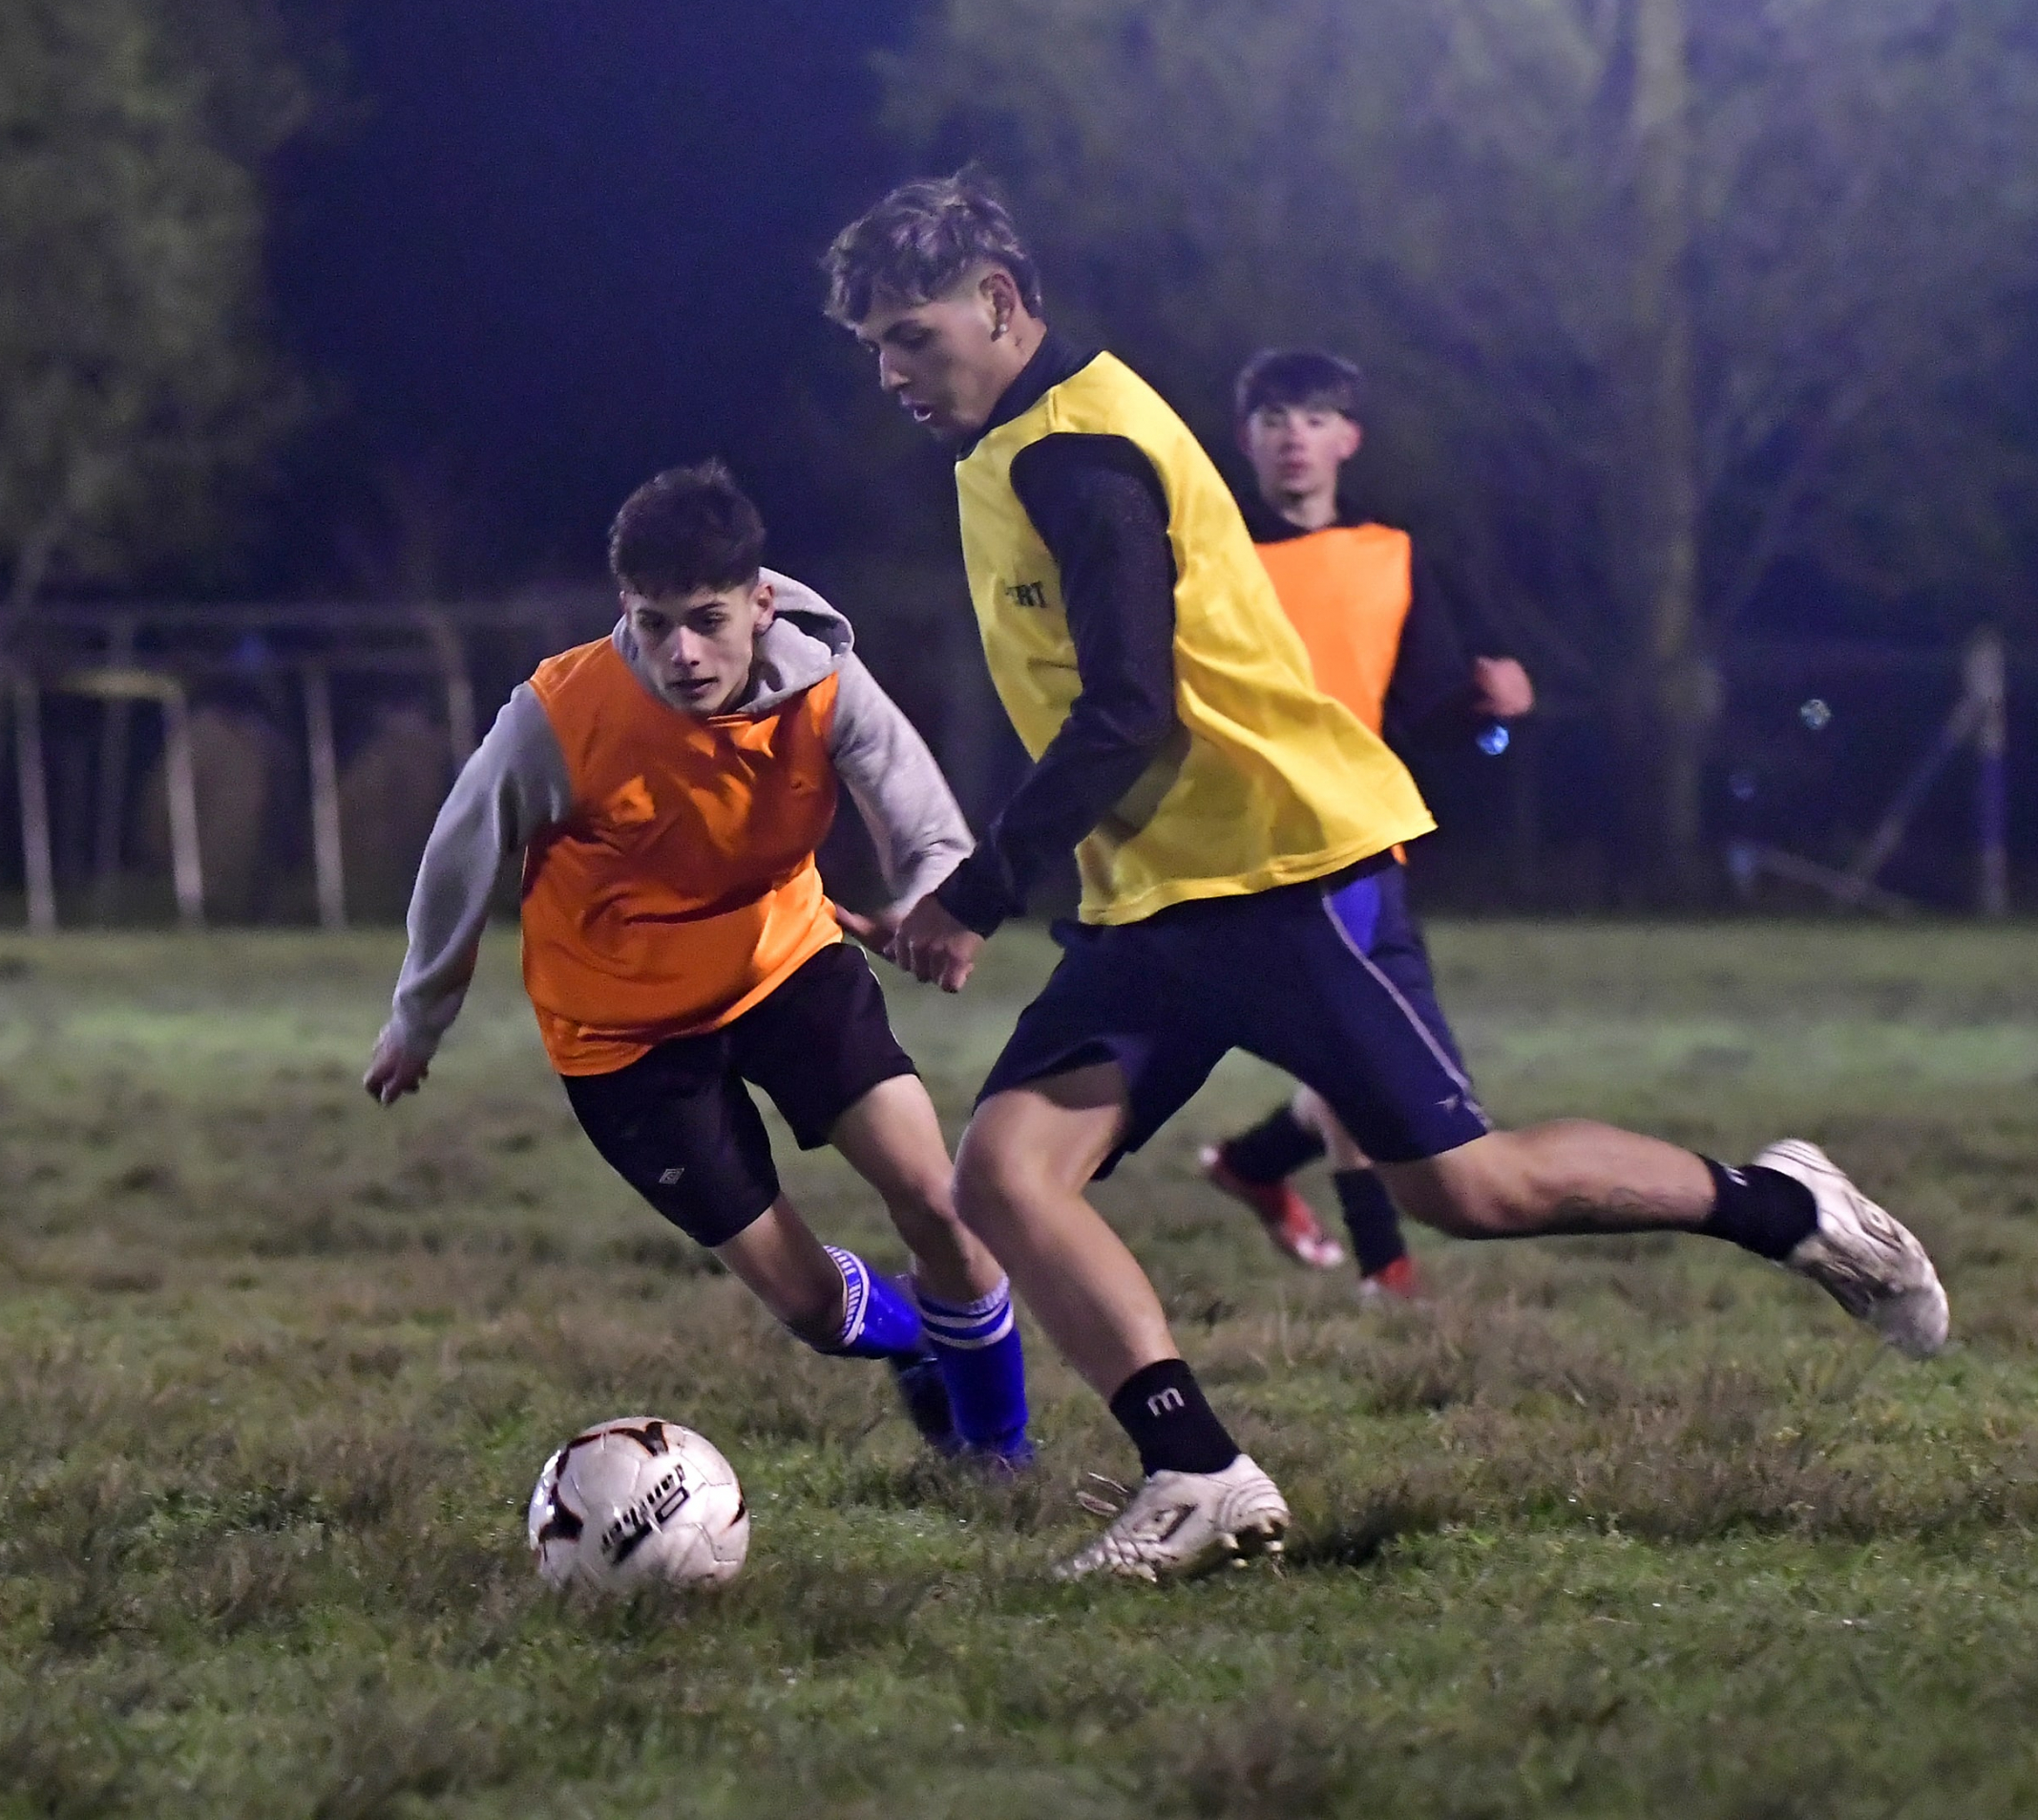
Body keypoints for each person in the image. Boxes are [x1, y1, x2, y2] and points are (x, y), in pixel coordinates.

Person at [821, 175, 1948, 1580]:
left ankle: (1792, 1207)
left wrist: (977, 891)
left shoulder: (1082, 456)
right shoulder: (1027, 444)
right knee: (1006, 1171)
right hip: (1158, 893)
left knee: (1465, 1191)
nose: (890, 371)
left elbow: (1127, 710)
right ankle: (1196, 1471)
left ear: (998, 302)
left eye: (910, 335)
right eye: (871, 345)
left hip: (1264, 871)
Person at [363, 460, 1030, 1466]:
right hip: (623, 1038)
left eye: (707, 619)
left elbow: (927, 824)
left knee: (938, 1200)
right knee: (808, 1302)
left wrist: (925, 905)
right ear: (624, 607)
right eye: (652, 621)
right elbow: (460, 849)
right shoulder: (562, 714)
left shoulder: (824, 678)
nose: (681, 651)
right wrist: (419, 1019)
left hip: (785, 959)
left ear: (760, 602)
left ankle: (999, 1459)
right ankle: (909, 1344)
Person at [1198, 347, 1534, 1300]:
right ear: (1245, 438)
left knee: (1364, 1050)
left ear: (1349, 438)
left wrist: (1489, 708)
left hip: (1357, 845)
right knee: (1361, 1051)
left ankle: (1296, 1193)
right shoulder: (1208, 556)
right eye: (1272, 418)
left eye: (1312, 417)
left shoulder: (1393, 555)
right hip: (1237, 849)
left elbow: (1420, 712)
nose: (1292, 436)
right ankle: (1359, 1242)